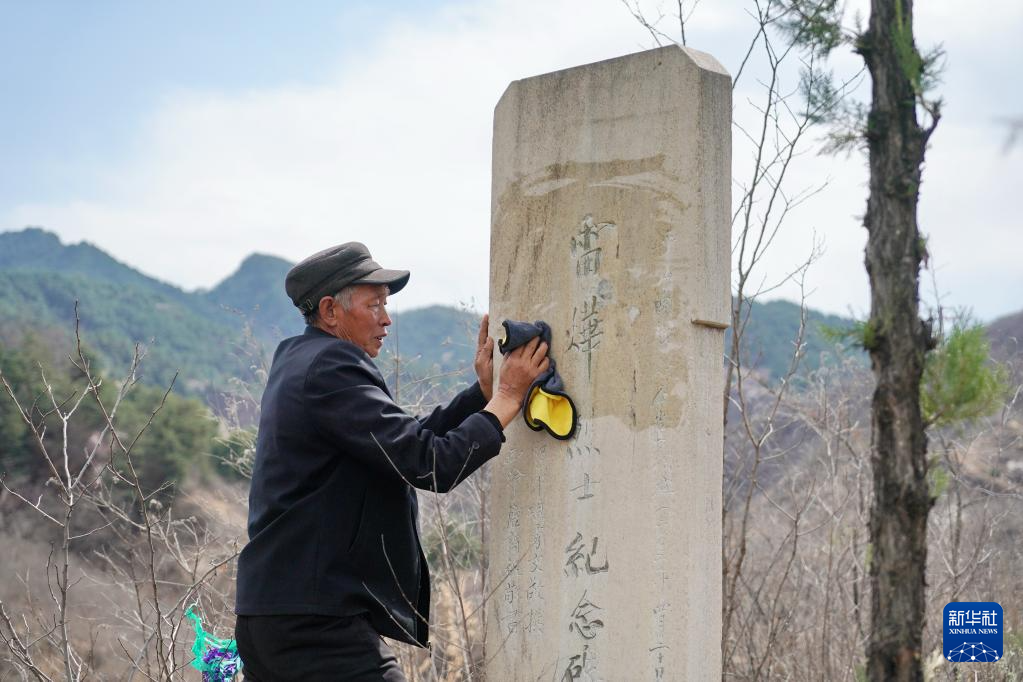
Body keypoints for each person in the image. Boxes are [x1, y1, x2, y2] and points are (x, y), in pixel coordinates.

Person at [234, 242, 548, 681]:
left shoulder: (300, 360)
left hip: (276, 613)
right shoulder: (331, 365)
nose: (386, 318)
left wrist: (482, 397)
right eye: (375, 305)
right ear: (330, 311)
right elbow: (429, 463)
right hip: (316, 625)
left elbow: (402, 441)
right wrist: (509, 396)